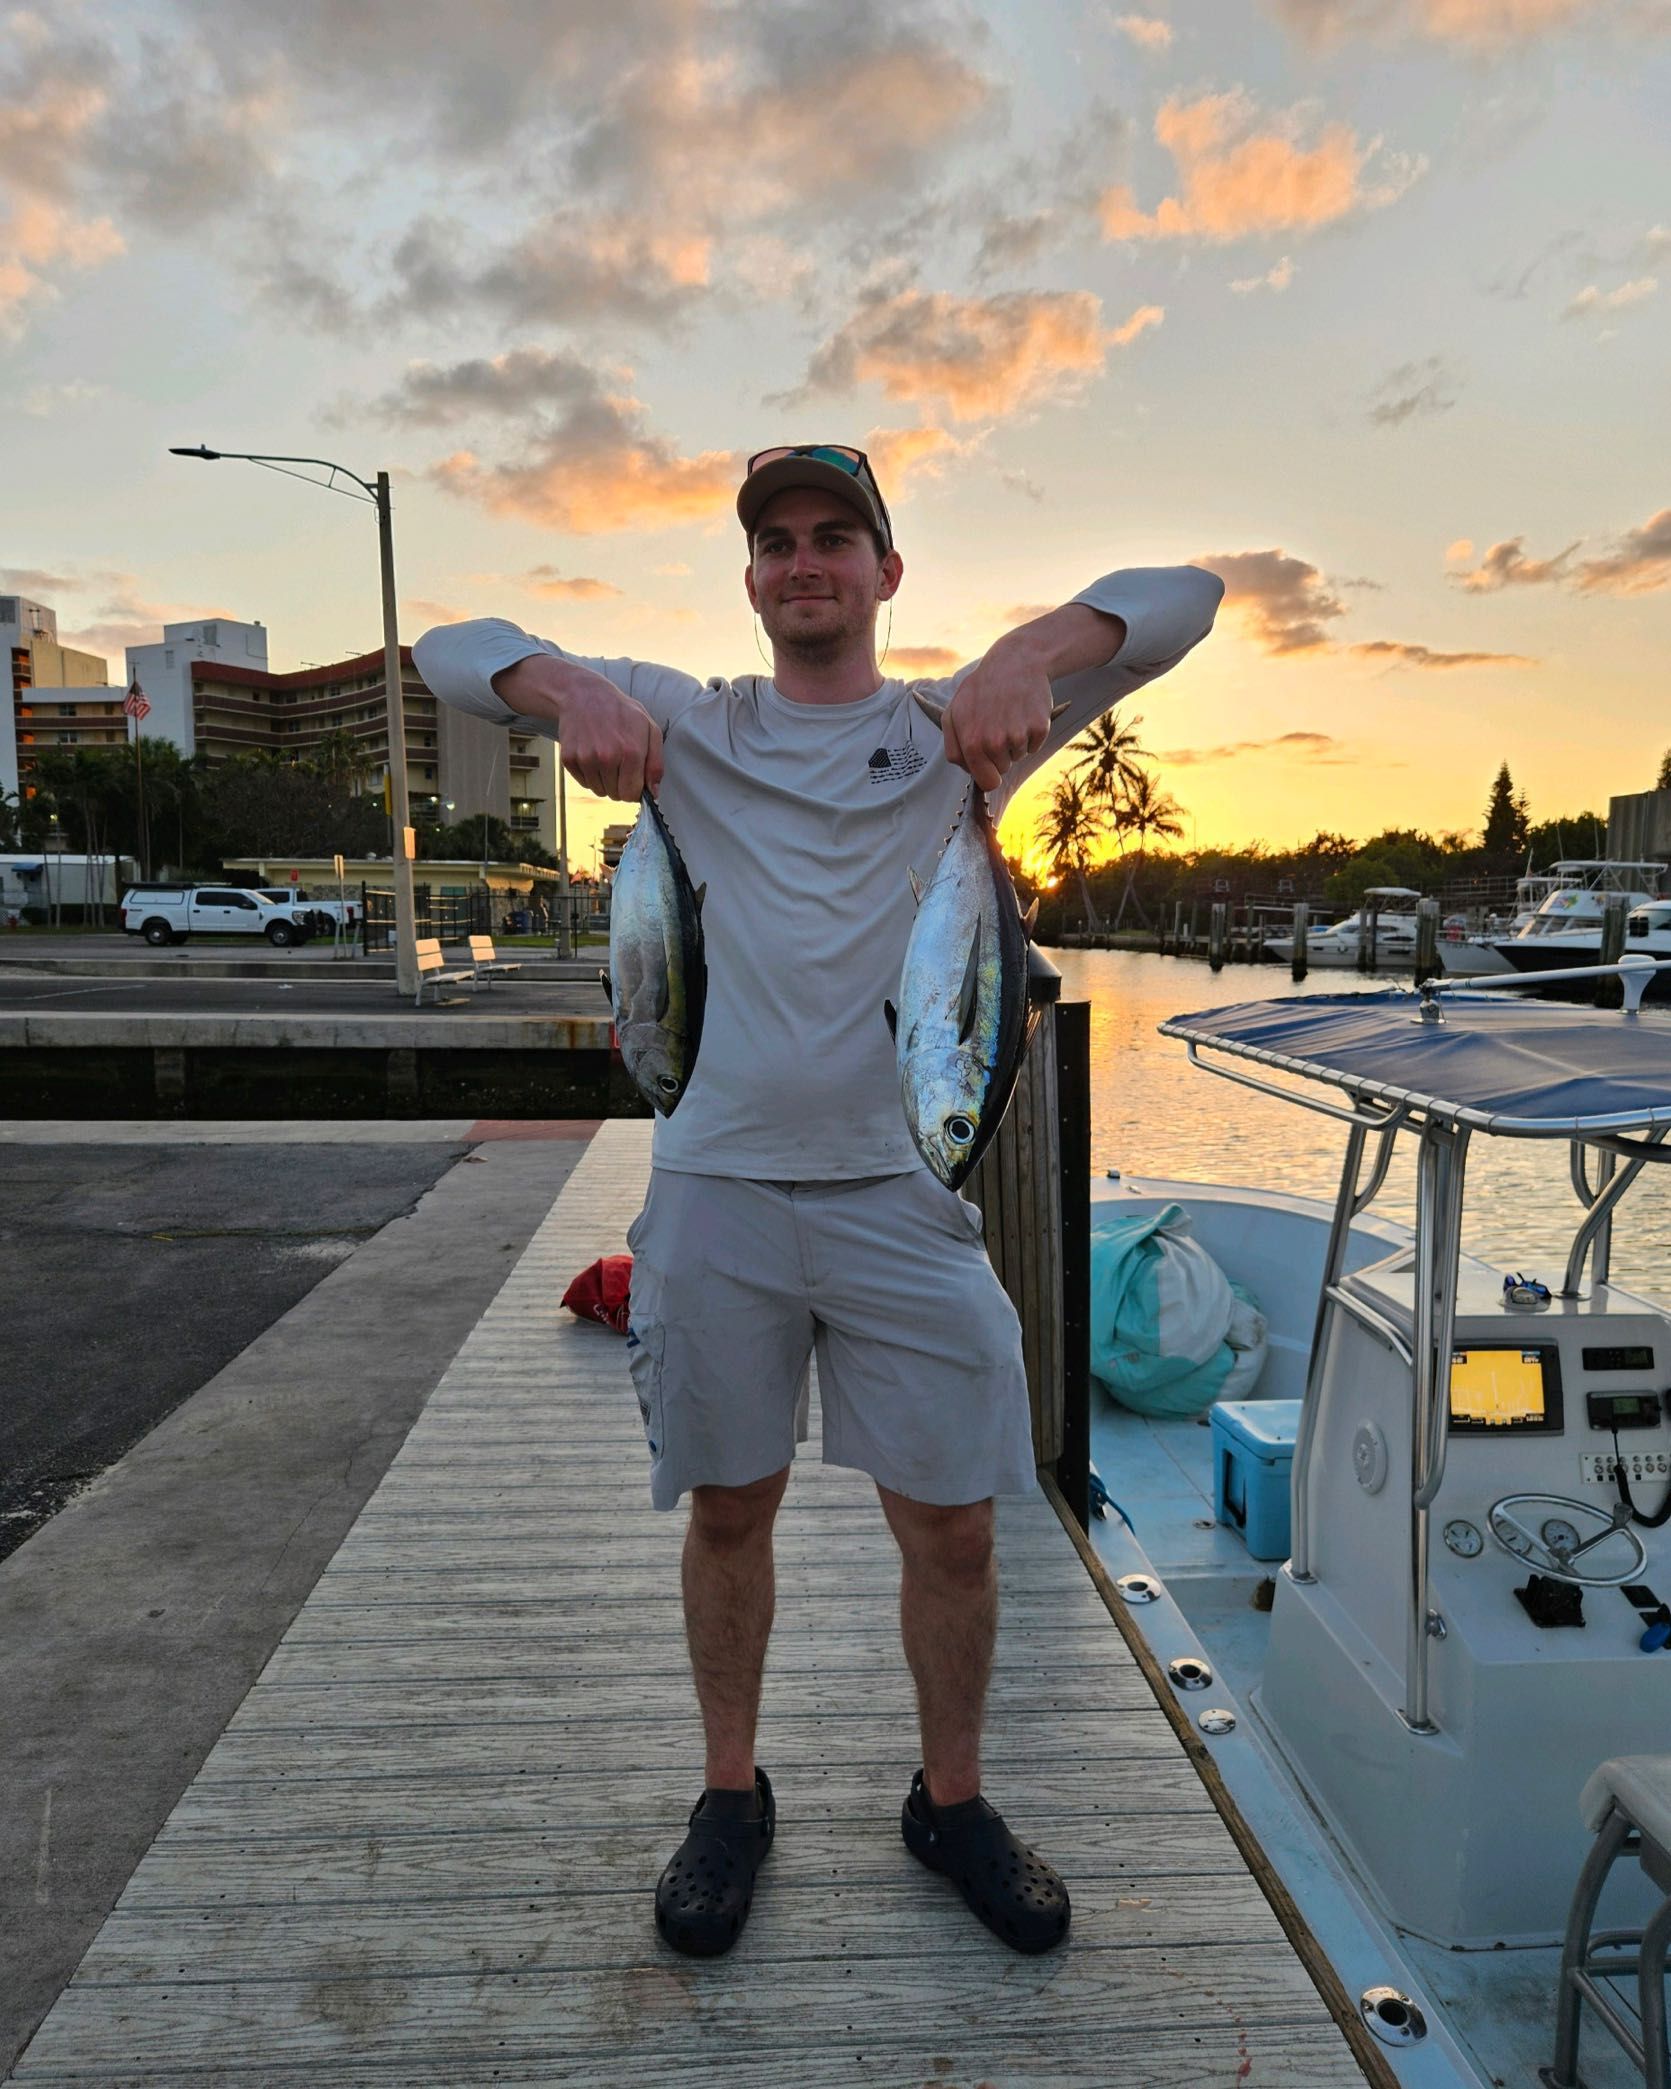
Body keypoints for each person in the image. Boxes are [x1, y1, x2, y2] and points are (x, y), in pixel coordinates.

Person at [412, 444, 1223, 1961]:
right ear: (750, 581)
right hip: (715, 1187)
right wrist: (559, 685)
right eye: (777, 540)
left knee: (960, 1529)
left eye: (836, 536)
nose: (806, 561)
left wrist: (1030, 653)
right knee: (729, 1509)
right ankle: (732, 1795)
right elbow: (442, 650)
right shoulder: (686, 728)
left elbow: (1191, 596)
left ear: (885, 573)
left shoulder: (960, 731)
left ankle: (953, 1801)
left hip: (903, 1196)